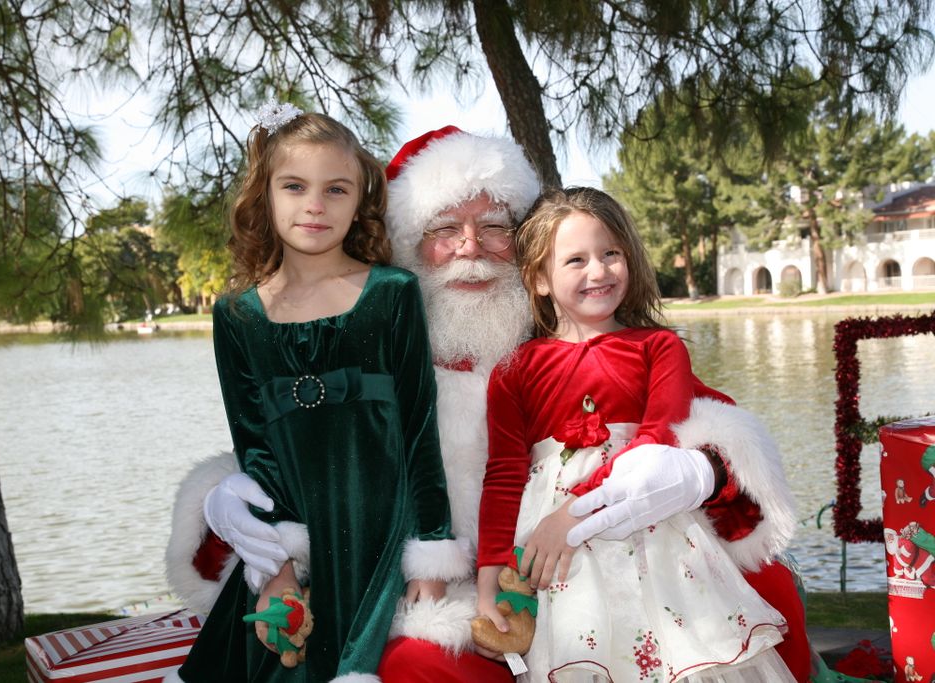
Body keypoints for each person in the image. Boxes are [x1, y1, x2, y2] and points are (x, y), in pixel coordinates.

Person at [165, 126, 812, 682]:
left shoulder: (570, 340)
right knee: (414, 660)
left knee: (768, 590)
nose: (470, 247)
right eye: (444, 229)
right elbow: (287, 449)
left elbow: (706, 429)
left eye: (493, 226)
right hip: (449, 601)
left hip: (600, 571)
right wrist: (231, 498)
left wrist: (698, 469)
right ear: (405, 246)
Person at [173, 106, 457, 683]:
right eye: (295, 186)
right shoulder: (236, 315)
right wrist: (274, 564)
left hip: (380, 531)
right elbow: (253, 448)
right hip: (296, 529)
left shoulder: (392, 293)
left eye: (336, 189)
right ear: (264, 196)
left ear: (360, 202)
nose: (315, 204)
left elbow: (420, 428)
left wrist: (430, 547)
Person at [477, 187, 794, 681]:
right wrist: (488, 579)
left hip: (652, 529)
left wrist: (572, 513)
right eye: (576, 260)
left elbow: (656, 441)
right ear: (538, 278)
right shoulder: (513, 370)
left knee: (680, 650)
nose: (599, 271)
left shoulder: (659, 348)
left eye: (611, 254)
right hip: (556, 558)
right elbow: (502, 475)